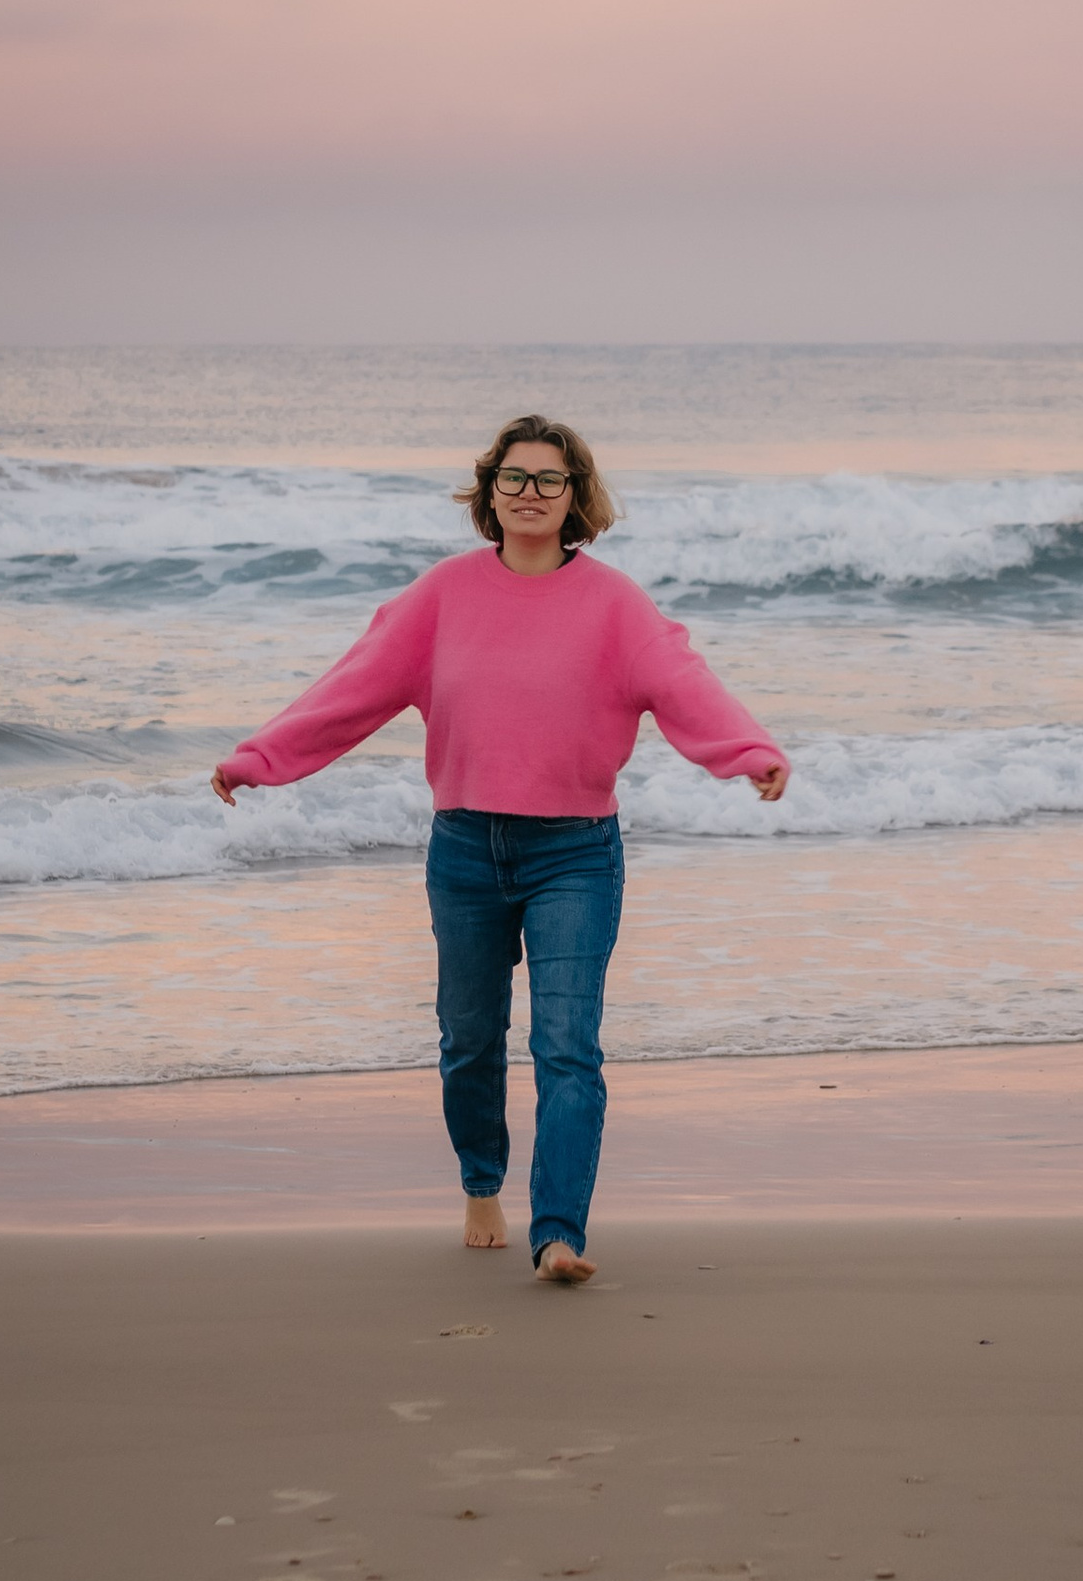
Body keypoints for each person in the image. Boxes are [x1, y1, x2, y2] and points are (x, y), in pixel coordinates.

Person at [211, 412, 788, 1284]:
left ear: (574, 497)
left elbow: (682, 684)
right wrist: (261, 758)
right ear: (490, 492)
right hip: (465, 851)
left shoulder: (615, 605)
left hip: (576, 855)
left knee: (567, 1046)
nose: (529, 493)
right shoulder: (442, 596)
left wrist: (749, 752)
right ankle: (482, 1183)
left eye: (548, 480)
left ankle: (559, 1235)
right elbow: (352, 688)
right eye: (512, 478)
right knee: (471, 1040)